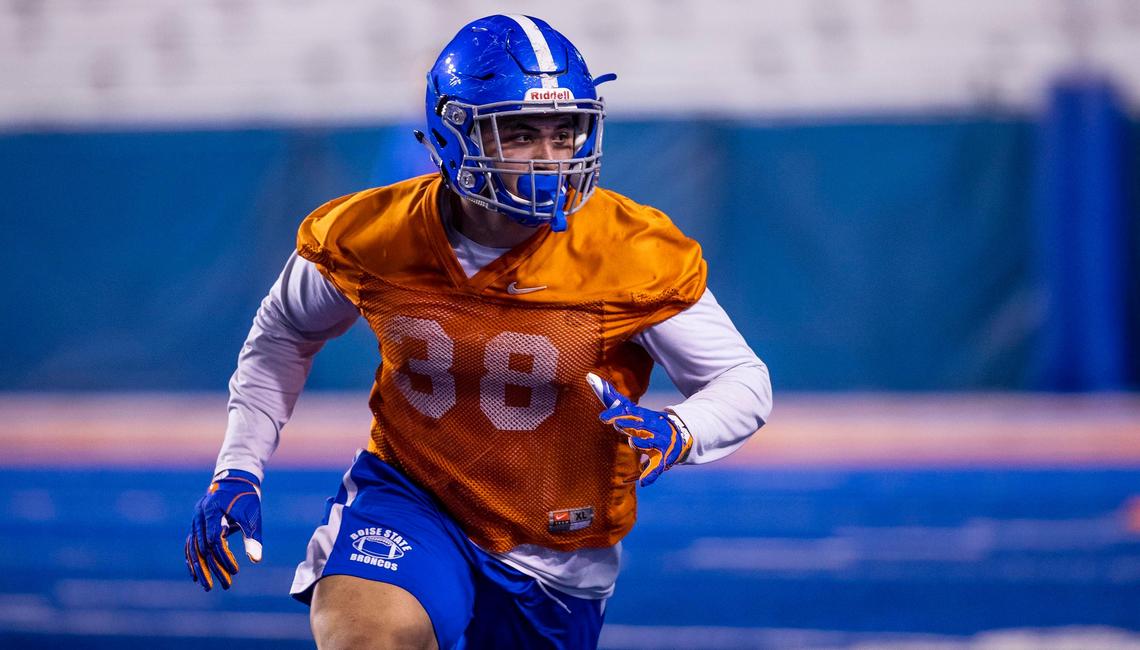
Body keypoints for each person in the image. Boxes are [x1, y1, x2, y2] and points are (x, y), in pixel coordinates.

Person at [185, 13, 772, 650]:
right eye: (520, 134)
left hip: (557, 547)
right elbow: (281, 335)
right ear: (452, 135)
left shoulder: (632, 250)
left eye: (564, 132)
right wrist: (238, 468)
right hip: (412, 498)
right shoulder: (372, 235)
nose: (551, 159)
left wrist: (683, 429)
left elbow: (742, 380)